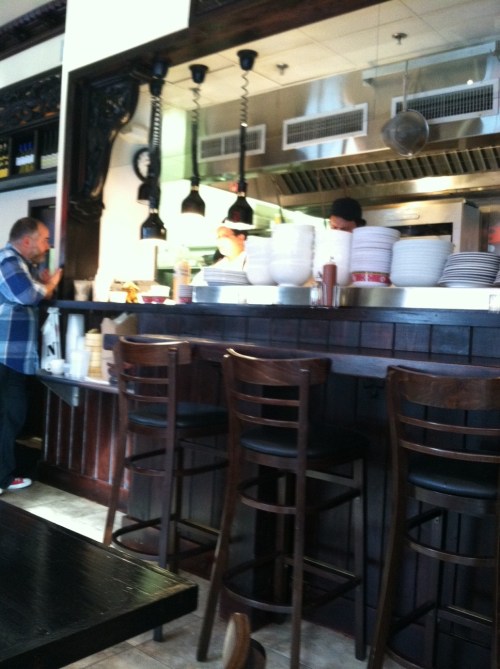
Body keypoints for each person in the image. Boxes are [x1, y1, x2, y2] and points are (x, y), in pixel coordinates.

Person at [0, 217, 62, 494]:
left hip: (10, 356)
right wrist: (50, 285)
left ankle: (3, 474)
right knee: (8, 416)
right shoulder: (8, 260)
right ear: (27, 240)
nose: (48, 246)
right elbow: (27, 295)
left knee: (10, 416)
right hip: (4, 355)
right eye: (45, 239)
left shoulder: (21, 264)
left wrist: (42, 286)